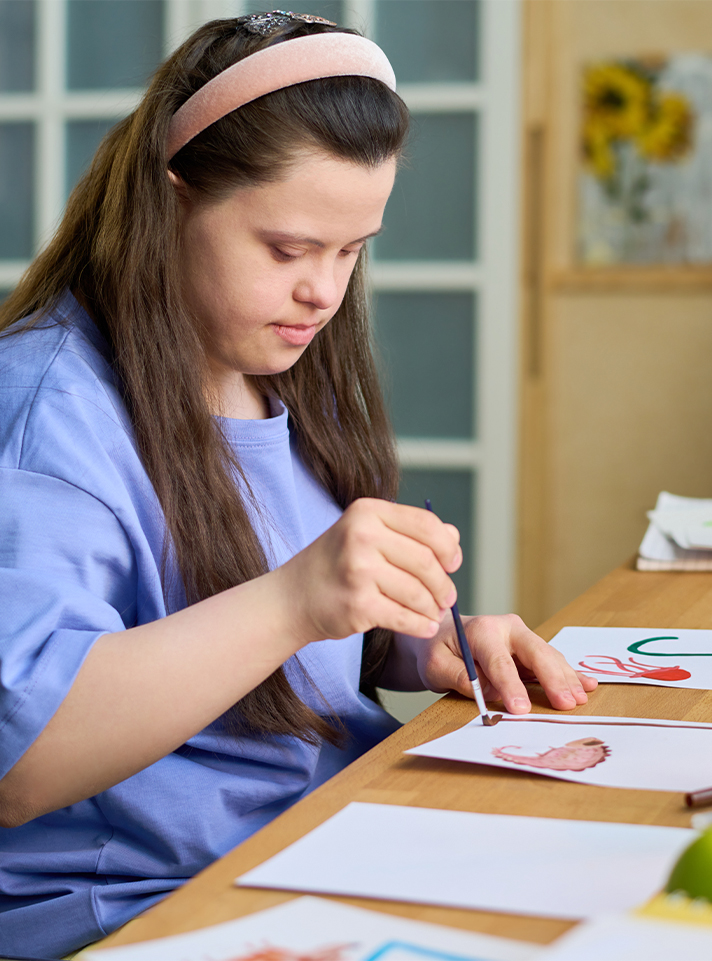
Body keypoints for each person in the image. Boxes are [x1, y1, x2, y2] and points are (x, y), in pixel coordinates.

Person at [0, 12, 596, 957]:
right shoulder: (46, 410)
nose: (324, 291)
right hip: (149, 909)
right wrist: (297, 601)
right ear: (175, 198)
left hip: (315, 843)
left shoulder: (269, 367)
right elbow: (20, 762)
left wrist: (414, 637)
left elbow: (269, 626)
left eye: (353, 248)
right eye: (287, 249)